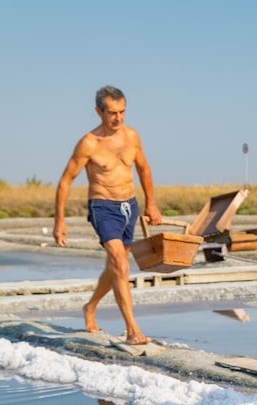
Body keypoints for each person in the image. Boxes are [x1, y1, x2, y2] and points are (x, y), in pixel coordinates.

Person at [53, 85, 163, 346]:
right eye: (112, 113)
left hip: (129, 206)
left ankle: (90, 307)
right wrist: (59, 220)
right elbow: (66, 180)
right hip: (103, 207)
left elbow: (144, 169)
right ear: (98, 111)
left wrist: (152, 205)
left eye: (122, 111)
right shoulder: (89, 143)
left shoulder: (132, 136)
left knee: (115, 266)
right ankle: (133, 330)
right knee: (120, 263)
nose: (118, 118)